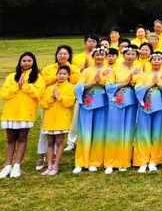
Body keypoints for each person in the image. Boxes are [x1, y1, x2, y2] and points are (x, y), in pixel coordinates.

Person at [36, 45, 80, 170]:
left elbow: (74, 82)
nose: (62, 55)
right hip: (49, 101)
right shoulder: (49, 68)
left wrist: (62, 81)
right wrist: (56, 77)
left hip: (64, 104)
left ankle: (55, 160)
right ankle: (41, 155)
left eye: (65, 53)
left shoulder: (74, 69)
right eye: (60, 53)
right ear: (56, 55)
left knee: (60, 133)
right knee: (45, 130)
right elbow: (43, 82)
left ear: (69, 55)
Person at [1, 52, 44, 178]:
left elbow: (38, 95)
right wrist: (16, 87)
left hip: (26, 112)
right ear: (20, 62)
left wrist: (25, 86)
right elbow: (4, 94)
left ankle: (17, 165)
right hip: (10, 112)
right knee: (10, 140)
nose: (26, 63)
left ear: (33, 62)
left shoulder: (37, 77)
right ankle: (7, 165)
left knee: (22, 138)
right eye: (24, 60)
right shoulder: (11, 76)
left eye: (29, 60)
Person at [103, 45, 141, 174]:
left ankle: (124, 161)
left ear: (136, 56)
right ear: (123, 55)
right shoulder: (115, 70)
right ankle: (110, 162)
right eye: (128, 54)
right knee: (114, 131)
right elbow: (108, 87)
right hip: (117, 102)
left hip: (132, 103)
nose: (130, 56)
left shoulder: (138, 70)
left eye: (133, 54)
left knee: (128, 131)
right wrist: (124, 83)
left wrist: (134, 83)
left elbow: (141, 85)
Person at [73, 46, 110, 174]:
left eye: (102, 55)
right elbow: (78, 87)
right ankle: (81, 161)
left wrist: (101, 84)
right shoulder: (86, 71)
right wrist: (92, 83)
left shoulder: (109, 70)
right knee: (84, 133)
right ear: (93, 57)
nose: (99, 57)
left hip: (103, 104)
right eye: (97, 55)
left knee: (99, 133)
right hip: (87, 104)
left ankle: (95, 161)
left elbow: (112, 87)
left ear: (105, 56)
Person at [134, 51, 162, 173]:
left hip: (160, 107)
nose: (157, 61)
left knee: (157, 133)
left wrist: (160, 85)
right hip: (145, 106)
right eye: (154, 59)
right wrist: (149, 85)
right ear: (150, 60)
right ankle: (142, 160)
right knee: (143, 133)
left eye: (159, 59)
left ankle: (154, 160)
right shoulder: (143, 75)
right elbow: (137, 88)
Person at [39, 64, 75, 175]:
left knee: (59, 142)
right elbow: (43, 103)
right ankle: (49, 165)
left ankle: (56, 165)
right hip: (49, 118)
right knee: (50, 142)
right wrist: (52, 98)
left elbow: (70, 102)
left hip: (62, 118)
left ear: (68, 75)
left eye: (64, 74)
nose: (62, 76)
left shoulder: (71, 87)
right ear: (56, 75)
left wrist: (59, 97)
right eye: (60, 74)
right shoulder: (50, 88)